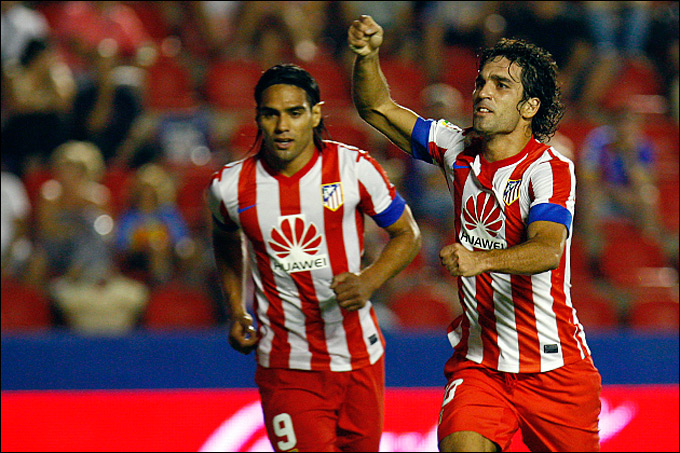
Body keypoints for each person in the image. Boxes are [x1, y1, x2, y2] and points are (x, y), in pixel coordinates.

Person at [348, 15, 601, 452]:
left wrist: (481, 259)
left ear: (529, 107)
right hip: (480, 366)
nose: (483, 92)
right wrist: (367, 56)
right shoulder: (456, 147)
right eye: (481, 82)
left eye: (501, 86)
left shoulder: (550, 169)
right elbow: (377, 109)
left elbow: (547, 250)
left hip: (555, 368)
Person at [207, 63, 421, 452]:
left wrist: (369, 281)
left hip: (360, 357)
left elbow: (408, 234)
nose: (282, 126)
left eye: (294, 113)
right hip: (287, 365)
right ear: (257, 118)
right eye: (271, 114)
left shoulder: (355, 168)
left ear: (316, 114)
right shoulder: (229, 187)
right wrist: (237, 309)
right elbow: (224, 238)